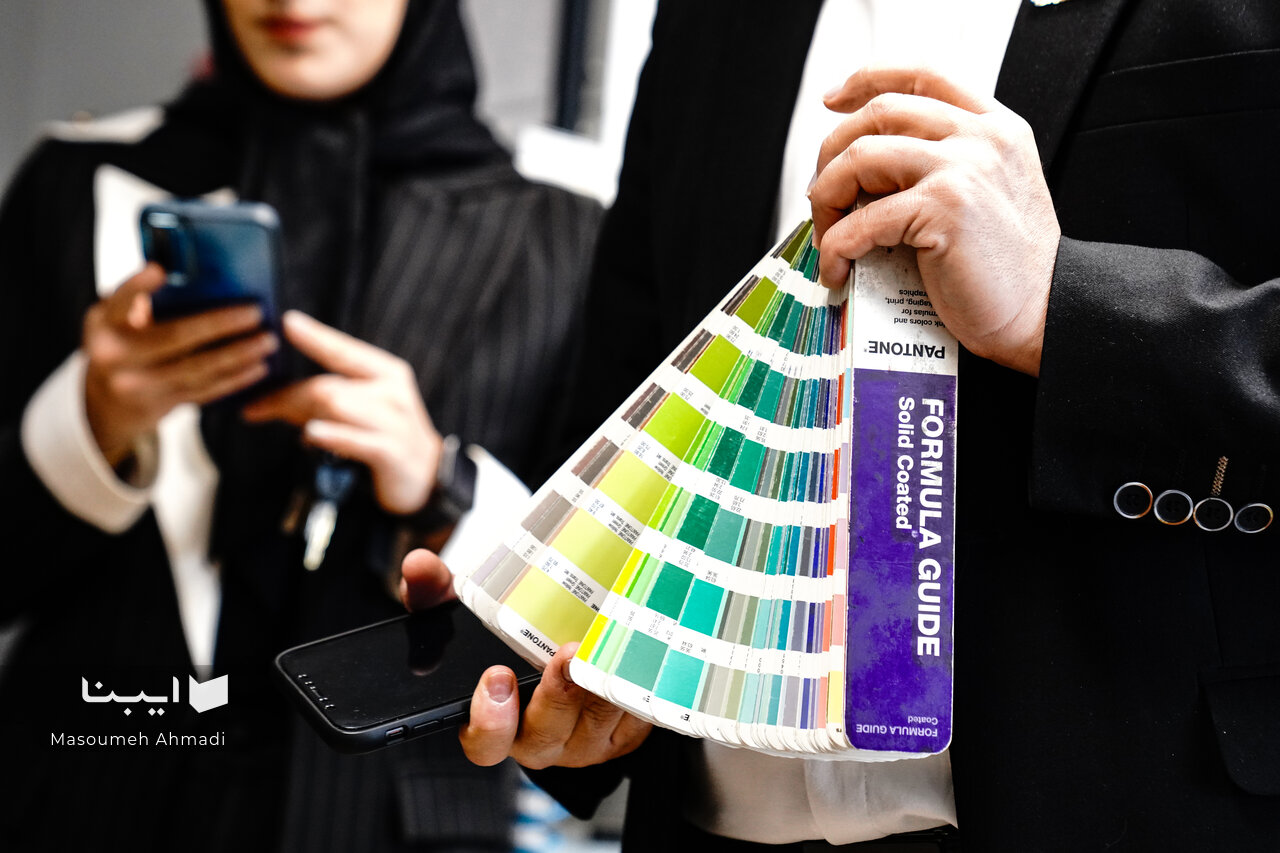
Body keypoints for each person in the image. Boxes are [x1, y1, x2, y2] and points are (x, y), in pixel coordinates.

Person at [401, 0, 1280, 850]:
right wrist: (587, 683)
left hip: (1129, 802)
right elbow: (637, 389)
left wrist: (1063, 307)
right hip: (706, 823)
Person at [0, 1, 599, 850]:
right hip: (85, 789)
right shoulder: (75, 182)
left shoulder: (559, 237)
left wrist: (442, 486)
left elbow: (594, 630)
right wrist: (91, 425)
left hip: (387, 822)